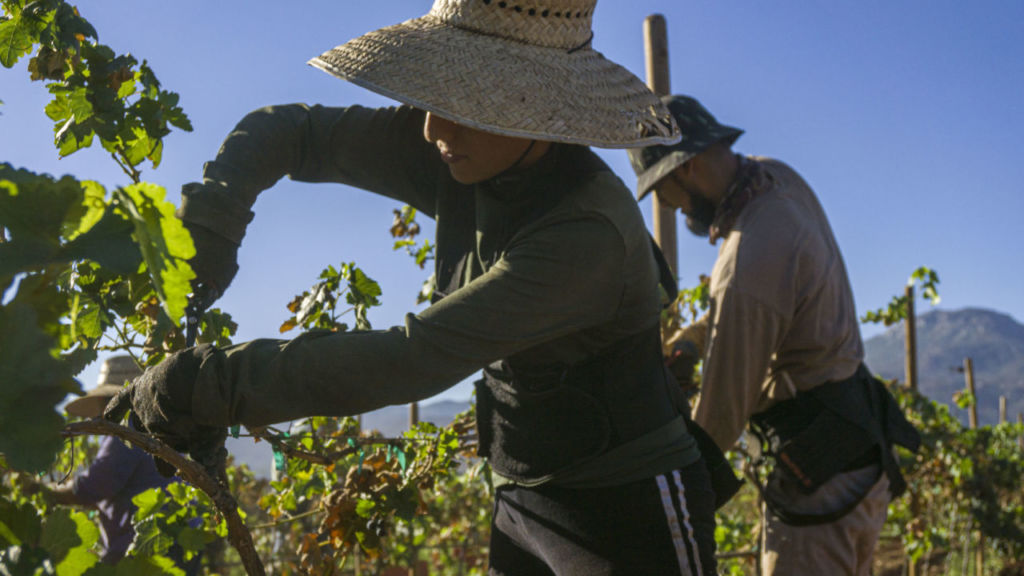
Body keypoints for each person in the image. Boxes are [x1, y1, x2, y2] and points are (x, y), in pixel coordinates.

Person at [105, 2, 720, 574]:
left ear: (533, 104)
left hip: (626, 505)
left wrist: (207, 384)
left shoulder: (585, 234)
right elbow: (294, 132)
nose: (430, 129)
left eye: (461, 102)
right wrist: (215, 219)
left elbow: (414, 359)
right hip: (521, 494)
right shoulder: (471, 147)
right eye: (435, 97)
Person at [628, 94, 920, 575]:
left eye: (665, 194)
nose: (676, 212)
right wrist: (694, 339)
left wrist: (665, 498)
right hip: (854, 453)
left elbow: (722, 415)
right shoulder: (774, 179)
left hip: (819, 481)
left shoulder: (750, 254)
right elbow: (770, 302)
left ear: (685, 169)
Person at [35, 357, 201, 574]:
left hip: (150, 550)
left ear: (116, 401)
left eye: (105, 403)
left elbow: (92, 488)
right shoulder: (155, 425)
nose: (99, 415)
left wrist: (42, 491)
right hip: (176, 540)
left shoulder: (128, 427)